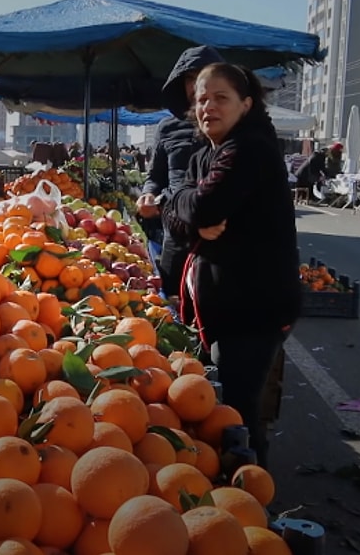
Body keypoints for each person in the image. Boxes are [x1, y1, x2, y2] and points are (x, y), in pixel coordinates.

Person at [163, 63, 301, 468]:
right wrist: (191, 220)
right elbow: (175, 213)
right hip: (224, 308)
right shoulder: (207, 153)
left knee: (237, 411)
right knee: (226, 403)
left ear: (246, 103)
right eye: (201, 99)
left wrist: (187, 207)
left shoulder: (250, 147)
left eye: (220, 98)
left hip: (254, 309)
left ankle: (252, 492)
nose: (208, 107)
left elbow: (203, 205)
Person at [137, 45, 225, 298]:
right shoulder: (167, 128)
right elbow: (155, 177)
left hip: (221, 243)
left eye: (203, 76)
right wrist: (148, 194)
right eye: (189, 79)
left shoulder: (234, 128)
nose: (196, 85)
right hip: (175, 238)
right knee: (173, 307)